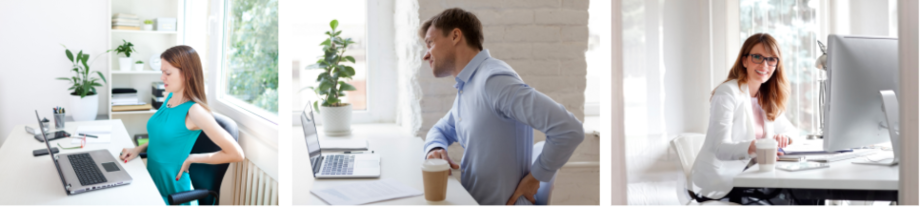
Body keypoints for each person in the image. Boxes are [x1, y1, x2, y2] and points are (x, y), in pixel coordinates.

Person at [418, 8, 585, 205]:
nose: (426, 55)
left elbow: (569, 129)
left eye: (430, 43)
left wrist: (535, 177)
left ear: (455, 36)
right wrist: (435, 148)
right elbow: (440, 130)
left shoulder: (493, 81)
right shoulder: (468, 86)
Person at [690, 33, 808, 204]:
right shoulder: (727, 93)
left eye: (771, 59)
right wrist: (753, 148)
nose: (764, 65)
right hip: (720, 181)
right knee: (794, 198)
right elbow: (720, 148)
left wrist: (785, 137)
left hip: (752, 175)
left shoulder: (766, 97)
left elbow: (792, 132)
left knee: (802, 194)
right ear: (744, 61)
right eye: (757, 57)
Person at [119, 45, 244, 205]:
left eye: (168, 73)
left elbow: (237, 154)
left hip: (175, 197)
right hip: (153, 187)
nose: (162, 77)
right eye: (162, 72)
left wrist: (193, 158)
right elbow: (164, 137)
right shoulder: (170, 97)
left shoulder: (195, 111)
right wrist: (138, 149)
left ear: (187, 74)